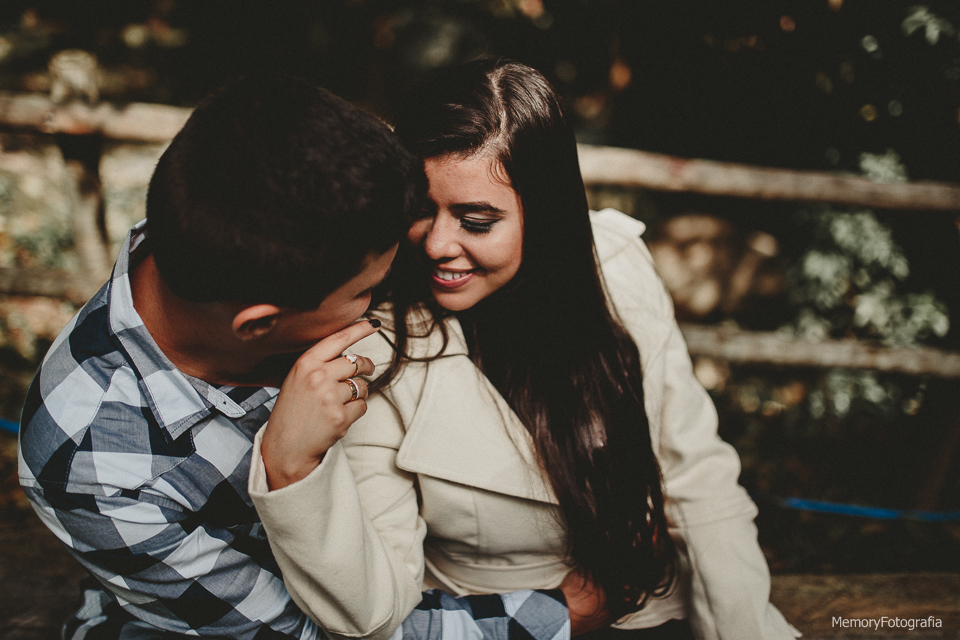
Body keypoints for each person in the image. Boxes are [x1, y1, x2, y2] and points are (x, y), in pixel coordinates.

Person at [255, 60, 801, 640]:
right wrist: (292, 471)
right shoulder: (375, 345)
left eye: (477, 220)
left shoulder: (616, 266)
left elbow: (696, 477)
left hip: (659, 609)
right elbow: (372, 607)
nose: (439, 244)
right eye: (418, 209)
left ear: (542, 213)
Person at [18, 73, 573, 640]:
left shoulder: (272, 216)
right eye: (364, 294)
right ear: (260, 324)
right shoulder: (94, 462)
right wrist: (558, 618)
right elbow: (297, 634)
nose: (388, 298)